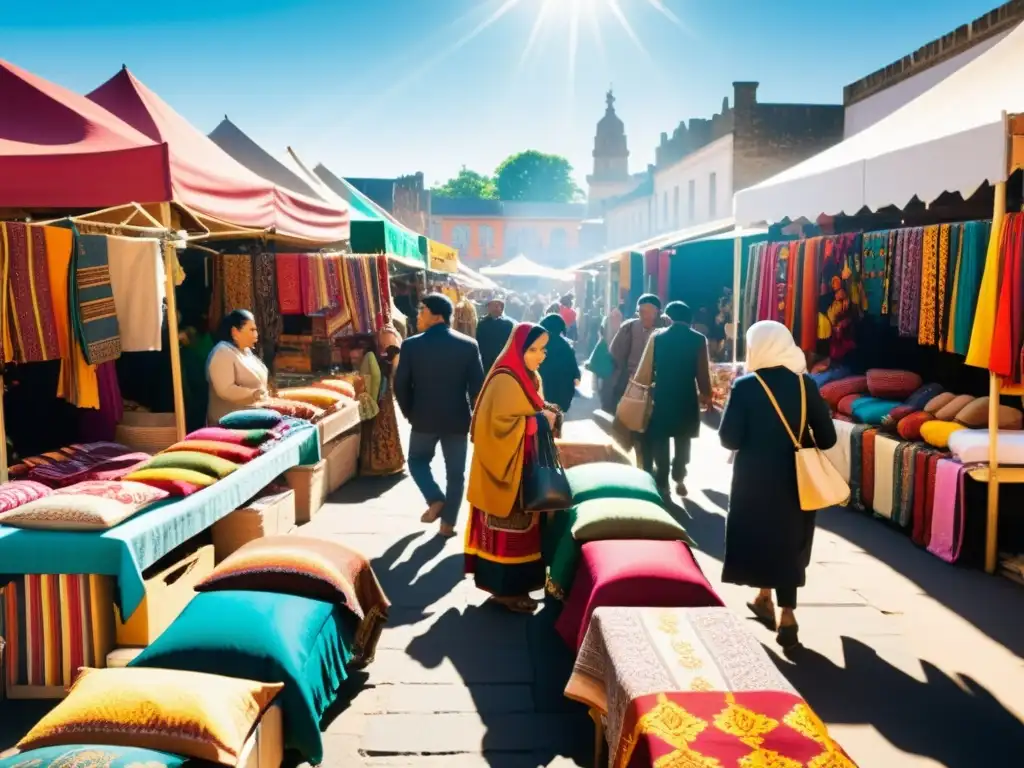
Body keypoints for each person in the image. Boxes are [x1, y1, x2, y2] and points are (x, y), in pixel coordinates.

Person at [719, 320, 837, 649]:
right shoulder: (805, 385)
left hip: (753, 481)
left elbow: (729, 439)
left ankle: (764, 596)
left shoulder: (745, 387)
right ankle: (785, 613)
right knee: (788, 541)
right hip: (794, 480)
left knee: (758, 535)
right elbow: (827, 439)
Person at [465, 323, 559, 613]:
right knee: (507, 531)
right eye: (533, 349)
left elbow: (531, 410)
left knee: (526, 531)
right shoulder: (505, 379)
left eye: (543, 349)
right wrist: (541, 420)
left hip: (523, 468)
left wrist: (549, 414)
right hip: (504, 469)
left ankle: (518, 588)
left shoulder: (529, 377)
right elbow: (496, 427)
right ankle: (505, 591)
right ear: (518, 350)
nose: (540, 355)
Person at [394, 294, 485, 538]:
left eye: (422, 310)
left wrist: (409, 411)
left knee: (416, 461)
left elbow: (400, 384)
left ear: (437, 315)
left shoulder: (412, 345)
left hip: (423, 417)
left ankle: (435, 499)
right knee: (456, 473)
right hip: (457, 418)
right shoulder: (468, 345)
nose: (418, 315)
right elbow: (478, 387)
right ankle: (448, 524)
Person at [633, 301, 712, 497]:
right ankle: (679, 475)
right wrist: (706, 394)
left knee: (661, 438)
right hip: (686, 395)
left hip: (662, 395)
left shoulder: (657, 337)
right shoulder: (699, 339)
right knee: (683, 438)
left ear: (668, 317)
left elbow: (648, 368)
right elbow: (702, 372)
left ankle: (662, 480)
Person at [206, 309, 269, 424]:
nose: (256, 334)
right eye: (251, 330)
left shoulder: (246, 351)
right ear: (235, 332)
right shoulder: (222, 353)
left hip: (250, 419)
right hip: (228, 425)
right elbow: (225, 390)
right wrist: (253, 394)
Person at [359, 324, 406, 476]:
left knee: (379, 425)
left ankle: (380, 463)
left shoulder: (385, 335)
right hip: (383, 389)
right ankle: (387, 461)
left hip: (380, 390)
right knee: (383, 425)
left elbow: (391, 367)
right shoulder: (385, 336)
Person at [609, 294, 667, 410]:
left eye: (649, 312)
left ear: (658, 312)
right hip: (631, 383)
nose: (645, 316)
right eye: (641, 312)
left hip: (658, 385)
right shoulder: (628, 327)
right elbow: (615, 351)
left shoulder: (667, 330)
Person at [538, 313, 581, 413]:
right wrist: (577, 376)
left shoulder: (539, 343)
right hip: (562, 390)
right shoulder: (565, 345)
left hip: (543, 388)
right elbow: (572, 365)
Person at [476, 297, 515, 373]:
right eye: (493, 305)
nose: (496, 308)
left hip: (501, 361)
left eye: (498, 306)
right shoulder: (482, 323)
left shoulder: (509, 324)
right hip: (484, 361)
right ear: (488, 308)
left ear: (502, 308)